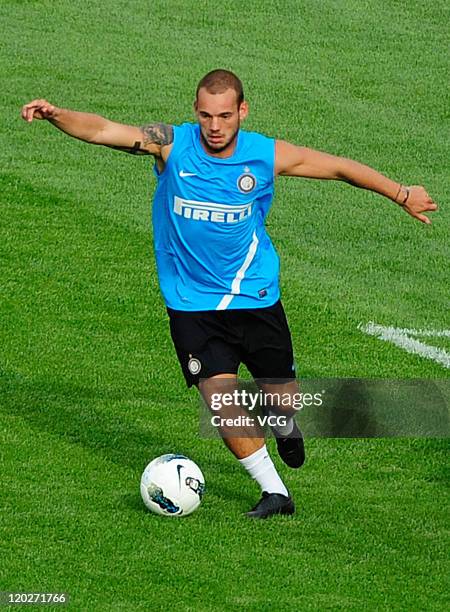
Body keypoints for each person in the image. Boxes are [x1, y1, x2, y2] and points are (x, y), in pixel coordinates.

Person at [21, 69, 437, 519]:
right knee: (220, 399)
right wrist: (56, 115)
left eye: (223, 115)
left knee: (281, 399)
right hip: (191, 303)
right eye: (205, 115)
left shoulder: (263, 155)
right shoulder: (172, 145)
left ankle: (285, 423)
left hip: (254, 298)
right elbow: (103, 129)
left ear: (242, 111)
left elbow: (338, 167)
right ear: (195, 113)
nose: (214, 126)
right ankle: (275, 493)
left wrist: (401, 194)